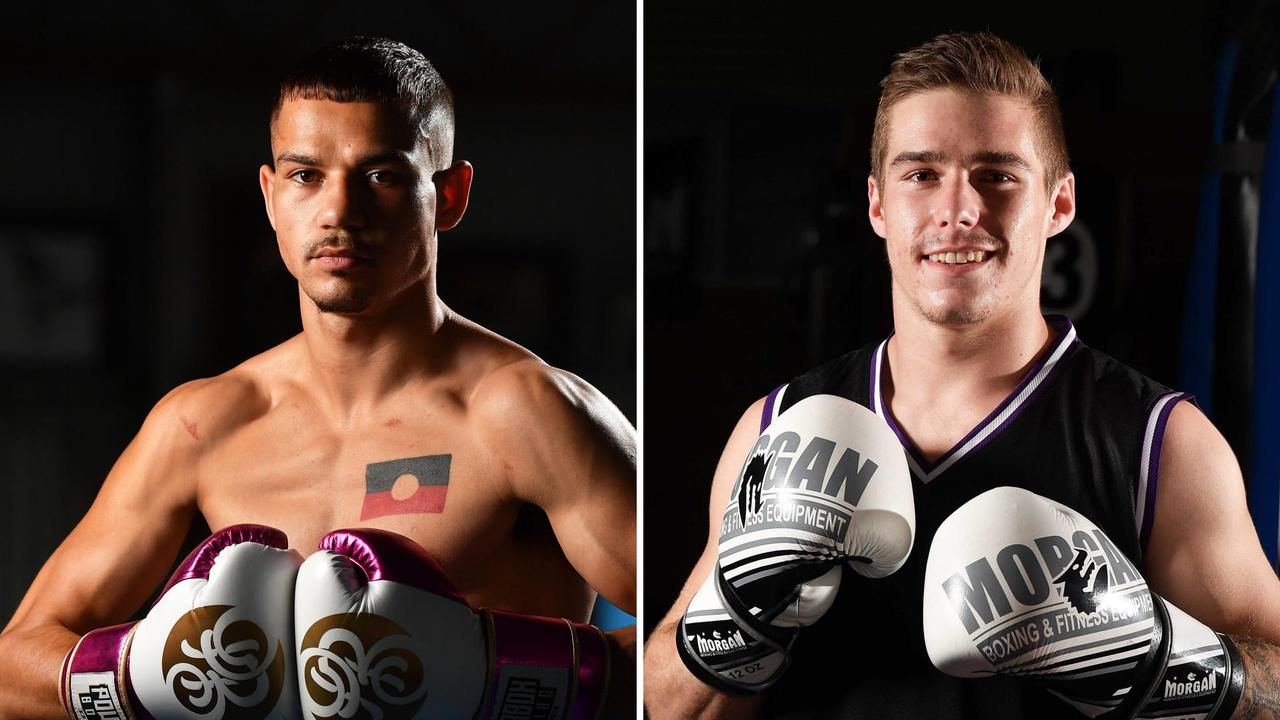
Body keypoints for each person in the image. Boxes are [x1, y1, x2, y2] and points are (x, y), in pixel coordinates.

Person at [645, 32, 1280, 719]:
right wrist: (738, 613)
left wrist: (1154, 659)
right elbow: (665, 704)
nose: (959, 211)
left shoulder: (1161, 444)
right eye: (921, 174)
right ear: (878, 205)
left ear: (1059, 204)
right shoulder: (775, 430)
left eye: (997, 174)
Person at [0, 36, 636, 718]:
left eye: (382, 175)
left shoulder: (525, 412)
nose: (338, 213)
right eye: (306, 175)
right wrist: (137, 676)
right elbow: (14, 665)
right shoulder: (204, 424)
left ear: (448, 195)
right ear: (271, 197)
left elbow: (697, 637)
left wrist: (487, 676)